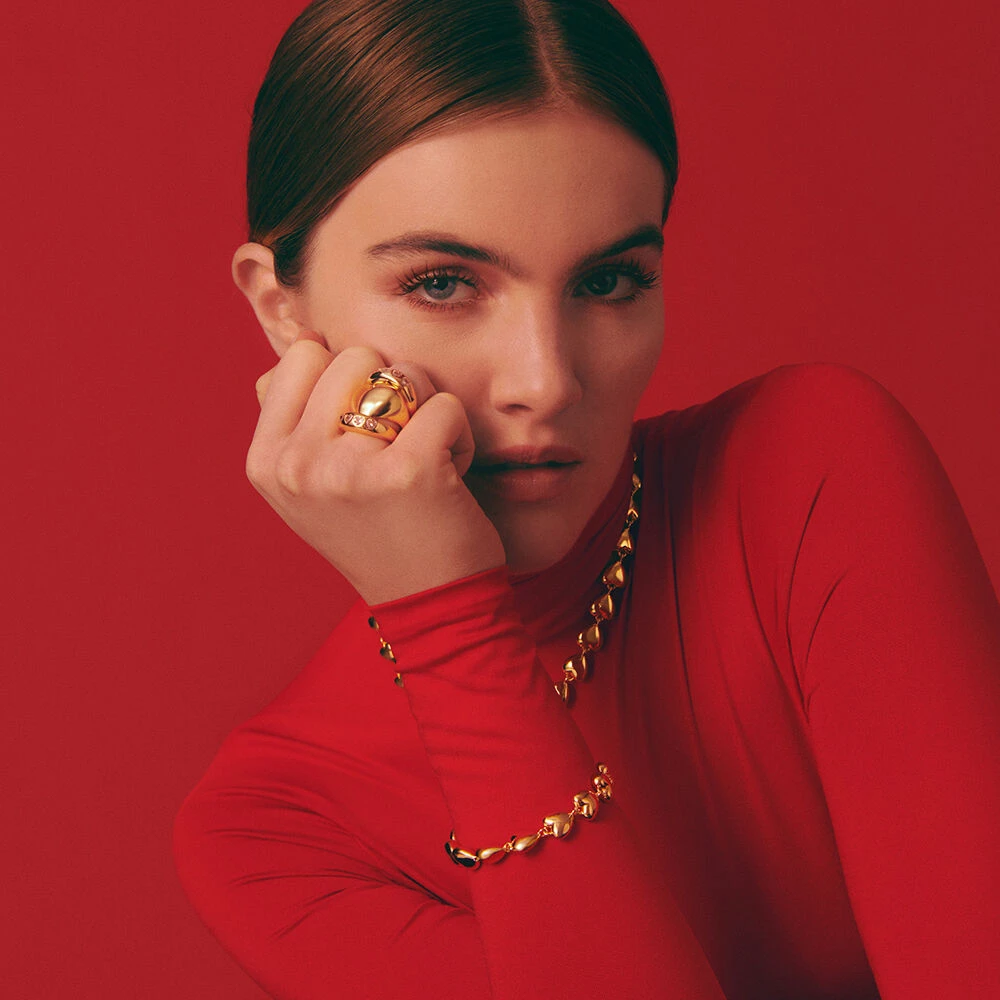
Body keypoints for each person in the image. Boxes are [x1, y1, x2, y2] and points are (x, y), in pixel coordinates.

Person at [173, 0, 1000, 997]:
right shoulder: (274, 832)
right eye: (443, 284)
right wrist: (448, 627)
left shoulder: (804, 472)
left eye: (608, 282)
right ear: (281, 309)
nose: (546, 380)